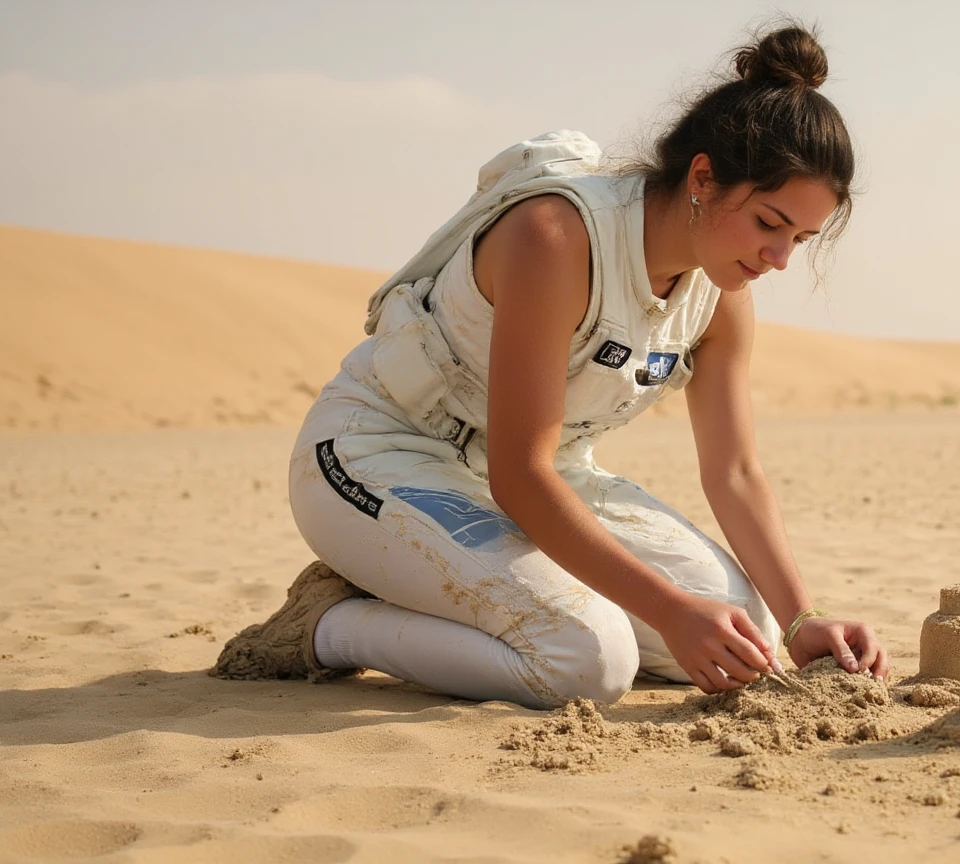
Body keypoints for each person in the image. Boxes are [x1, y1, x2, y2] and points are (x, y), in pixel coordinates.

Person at [210, 24, 890, 708]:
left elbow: (735, 472)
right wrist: (672, 612)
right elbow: (519, 472)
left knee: (751, 637)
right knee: (586, 662)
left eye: (800, 239)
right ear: (704, 178)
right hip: (381, 456)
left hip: (545, 481)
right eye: (769, 223)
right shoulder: (557, 237)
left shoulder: (721, 296)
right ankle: (329, 624)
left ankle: (457, 589)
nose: (779, 260)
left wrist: (804, 619)